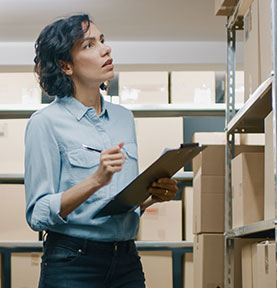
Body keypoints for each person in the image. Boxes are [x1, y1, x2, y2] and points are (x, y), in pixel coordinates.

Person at [24, 14, 179, 288]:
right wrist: (96, 179)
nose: (105, 49)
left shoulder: (124, 118)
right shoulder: (45, 123)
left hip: (126, 259)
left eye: (103, 41)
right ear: (65, 65)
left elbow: (115, 204)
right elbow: (37, 214)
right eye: (89, 45)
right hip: (72, 262)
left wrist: (150, 197)